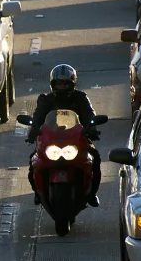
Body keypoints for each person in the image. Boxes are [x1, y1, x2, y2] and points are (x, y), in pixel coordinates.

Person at [26, 64, 102, 207]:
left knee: (95, 158)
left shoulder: (80, 98)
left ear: (72, 84)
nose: (62, 86)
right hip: (51, 141)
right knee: (33, 160)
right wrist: (33, 131)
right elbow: (38, 117)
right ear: (53, 84)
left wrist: (92, 128)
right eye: (59, 83)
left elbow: (89, 114)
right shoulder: (46, 100)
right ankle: (38, 193)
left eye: (65, 83)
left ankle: (92, 194)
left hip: (77, 140)